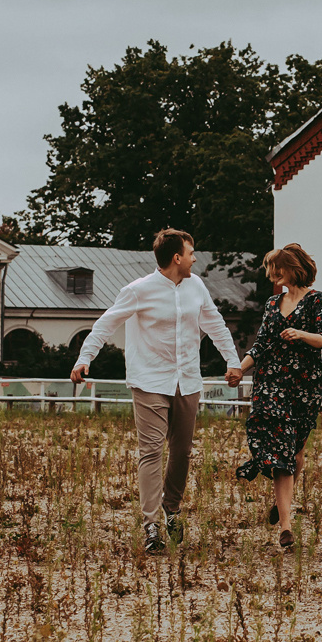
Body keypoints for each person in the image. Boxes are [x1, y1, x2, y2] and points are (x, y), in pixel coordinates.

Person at [69, 228, 242, 556]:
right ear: (177, 257)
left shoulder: (197, 286)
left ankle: (172, 508)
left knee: (182, 451)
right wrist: (84, 357)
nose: (194, 258)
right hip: (149, 380)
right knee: (150, 451)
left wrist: (233, 361)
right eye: (191, 253)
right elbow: (106, 323)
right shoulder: (137, 291)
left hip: (187, 380)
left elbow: (215, 324)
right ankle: (152, 524)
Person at [227, 243, 322, 548]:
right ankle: (286, 526)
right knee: (280, 451)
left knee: (296, 453)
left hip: (304, 384)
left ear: (293, 267)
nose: (273, 274)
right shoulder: (273, 304)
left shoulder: (316, 300)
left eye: (278, 268)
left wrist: (300, 334)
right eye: (271, 269)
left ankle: (281, 503)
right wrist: (239, 369)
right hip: (271, 382)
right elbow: (261, 345)